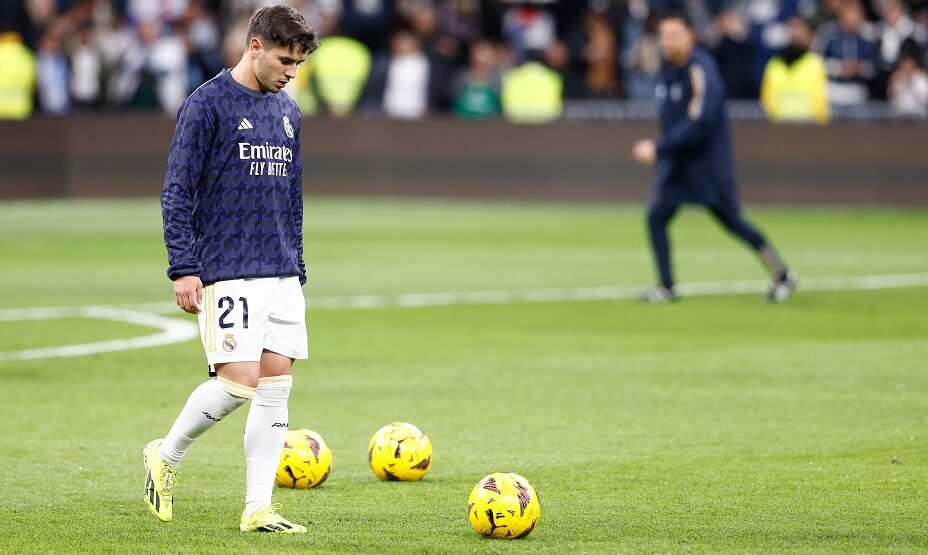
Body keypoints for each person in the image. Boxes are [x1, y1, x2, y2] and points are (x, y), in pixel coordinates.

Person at [146, 5, 318, 534]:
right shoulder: (207, 104)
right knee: (239, 383)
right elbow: (177, 191)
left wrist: (297, 266)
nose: (291, 73)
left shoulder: (288, 111)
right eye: (285, 60)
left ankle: (258, 508)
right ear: (255, 46)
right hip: (228, 267)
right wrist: (184, 267)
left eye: (298, 64)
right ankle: (165, 455)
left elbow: (291, 196)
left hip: (281, 270)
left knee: (276, 385)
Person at [631, 13, 797, 304]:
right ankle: (666, 286)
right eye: (663, 36)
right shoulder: (670, 73)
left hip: (706, 164)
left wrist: (659, 148)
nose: (667, 42)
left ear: (690, 36)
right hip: (678, 163)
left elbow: (700, 123)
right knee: (656, 216)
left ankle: (782, 273)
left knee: (732, 220)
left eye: (674, 36)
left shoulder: (701, 70)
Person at [760, 17, 830, 124]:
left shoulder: (815, 63)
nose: (795, 34)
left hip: (809, 126)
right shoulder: (774, 63)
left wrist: (821, 125)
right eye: (792, 30)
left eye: (799, 30)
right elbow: (767, 98)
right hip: (779, 125)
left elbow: (821, 99)